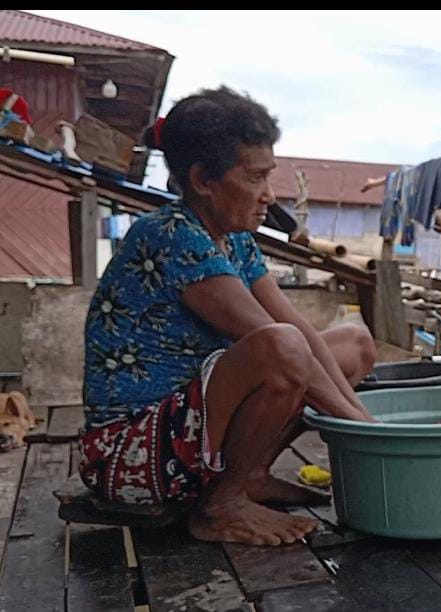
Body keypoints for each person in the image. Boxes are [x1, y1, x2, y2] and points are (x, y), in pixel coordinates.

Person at [79, 86, 376, 546]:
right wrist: (374, 437)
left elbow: (299, 328)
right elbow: (277, 342)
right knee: (281, 349)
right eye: (256, 178)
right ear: (203, 180)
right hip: (130, 454)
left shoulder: (235, 240)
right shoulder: (169, 235)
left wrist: (366, 420)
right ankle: (220, 506)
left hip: (191, 428)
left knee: (353, 344)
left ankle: (250, 475)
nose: (268, 196)